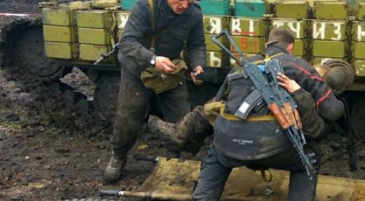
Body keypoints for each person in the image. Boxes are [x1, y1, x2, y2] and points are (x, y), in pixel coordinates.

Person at [185, 27, 344, 201]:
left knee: (215, 155)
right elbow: (332, 110)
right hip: (277, 146)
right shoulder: (298, 66)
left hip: (230, 144)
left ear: (266, 45)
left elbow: (214, 106)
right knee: (309, 157)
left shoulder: (241, 67)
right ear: (290, 47)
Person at [104, 0, 206, 183]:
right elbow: (128, 42)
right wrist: (153, 59)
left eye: (189, 0)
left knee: (182, 121)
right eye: (180, 0)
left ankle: (173, 160)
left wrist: (198, 65)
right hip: (138, 69)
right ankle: (118, 156)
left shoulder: (194, 13)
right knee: (128, 119)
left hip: (170, 71)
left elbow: (197, 45)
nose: (185, 5)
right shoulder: (145, 6)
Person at [148, 60, 354, 154]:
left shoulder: (317, 107)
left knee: (218, 112)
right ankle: (187, 139)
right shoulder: (318, 99)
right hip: (270, 130)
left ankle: (184, 136)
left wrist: (300, 94)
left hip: (275, 138)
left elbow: (314, 129)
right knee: (218, 109)